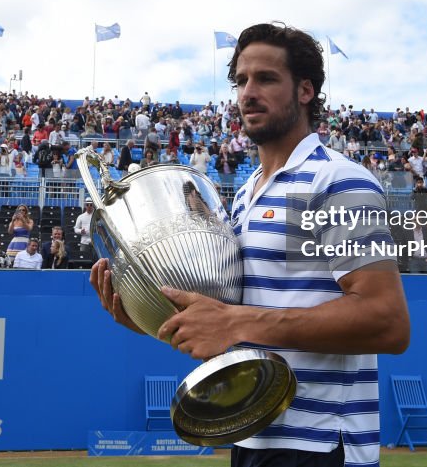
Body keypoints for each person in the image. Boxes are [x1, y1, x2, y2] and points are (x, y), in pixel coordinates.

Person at [90, 23, 409, 467]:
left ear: (305, 90)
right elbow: (238, 325)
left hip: (319, 447)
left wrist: (235, 322)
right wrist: (153, 318)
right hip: (250, 432)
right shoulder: (244, 195)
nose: (248, 92)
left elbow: (386, 322)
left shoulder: (336, 179)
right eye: (240, 81)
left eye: (266, 78)